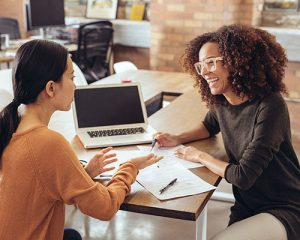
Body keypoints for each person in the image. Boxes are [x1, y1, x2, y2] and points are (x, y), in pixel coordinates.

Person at [0, 39, 162, 239]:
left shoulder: (10, 126)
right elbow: (105, 208)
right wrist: (129, 168)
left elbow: (39, 186)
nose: (75, 86)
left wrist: (83, 173)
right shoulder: (48, 143)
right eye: (72, 77)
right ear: (51, 88)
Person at [155, 24, 300, 240]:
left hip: (283, 206)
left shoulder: (271, 105)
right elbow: (208, 126)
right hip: (247, 204)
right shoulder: (223, 101)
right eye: (201, 65)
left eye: (212, 62)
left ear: (237, 62)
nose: (204, 72)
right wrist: (177, 138)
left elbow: (242, 176)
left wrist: (199, 156)